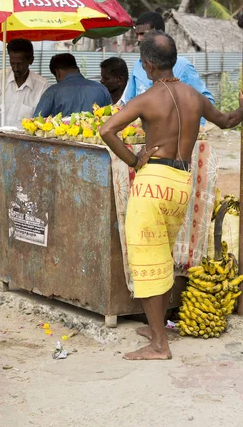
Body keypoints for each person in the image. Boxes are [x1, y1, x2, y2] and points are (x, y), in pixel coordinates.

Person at [99, 31, 243, 361]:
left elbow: (107, 130)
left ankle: (159, 345)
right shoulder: (194, 95)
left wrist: (134, 160)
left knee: (147, 262)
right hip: (180, 182)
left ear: (149, 65)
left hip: (152, 182)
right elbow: (227, 120)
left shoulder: (147, 98)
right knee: (162, 256)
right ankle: (156, 328)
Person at [123, 11, 214, 126]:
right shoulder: (138, 66)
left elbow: (207, 103)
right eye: (137, 34)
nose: (139, 39)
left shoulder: (182, 65)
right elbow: (129, 102)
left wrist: (193, 130)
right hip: (143, 138)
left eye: (143, 34)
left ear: (159, 33)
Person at [0, 39, 49, 154]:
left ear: (31, 60)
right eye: (12, 63)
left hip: (26, 151)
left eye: (20, 64)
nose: (15, 68)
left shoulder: (42, 85)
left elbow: (41, 121)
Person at [34, 53, 110, 118]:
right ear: (78, 69)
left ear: (57, 72)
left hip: (61, 134)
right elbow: (110, 117)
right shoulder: (101, 89)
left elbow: (37, 121)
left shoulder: (52, 91)